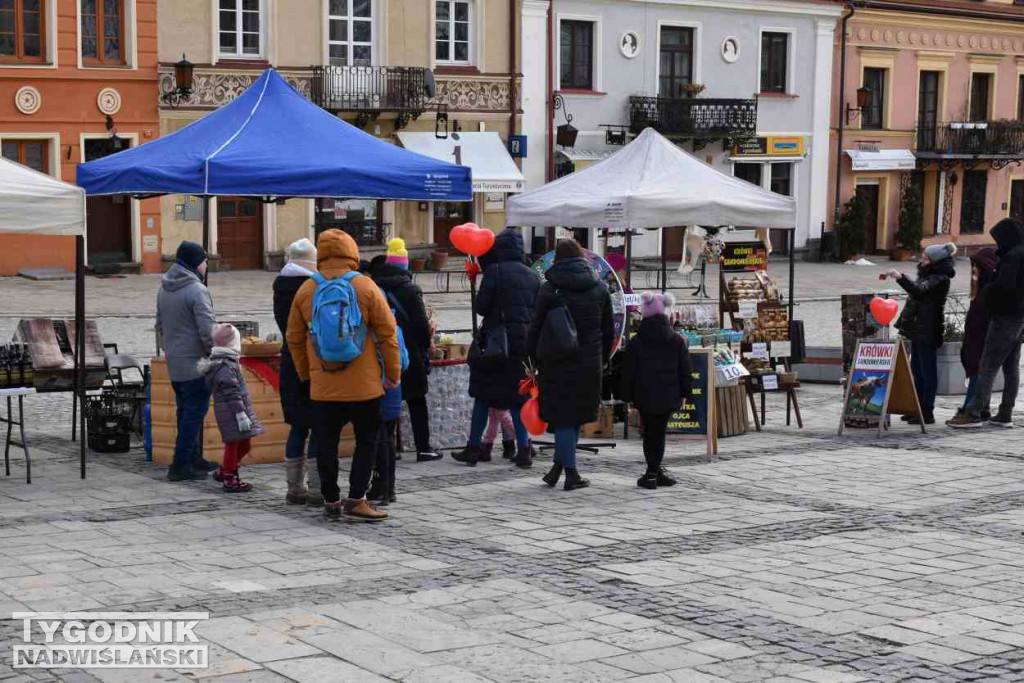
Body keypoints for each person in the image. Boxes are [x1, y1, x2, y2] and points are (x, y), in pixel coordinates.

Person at [286, 229, 401, 522]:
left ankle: (331, 499)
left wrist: (306, 374)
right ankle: (358, 499)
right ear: (352, 252)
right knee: (366, 440)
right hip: (365, 385)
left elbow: (294, 339)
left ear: (321, 253)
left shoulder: (306, 289)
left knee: (326, 443)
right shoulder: (366, 286)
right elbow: (388, 335)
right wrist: (393, 373)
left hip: (323, 384)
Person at [527, 239, 614, 491]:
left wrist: (531, 358)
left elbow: (534, 327)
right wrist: (603, 357)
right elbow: (609, 330)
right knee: (573, 417)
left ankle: (567, 471)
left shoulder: (550, 289)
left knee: (565, 417)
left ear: (557, 260)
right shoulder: (599, 287)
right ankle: (565, 469)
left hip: (556, 362)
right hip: (589, 363)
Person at [456, 228, 540, 468]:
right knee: (517, 397)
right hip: (523, 343)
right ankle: (524, 449)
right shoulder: (533, 275)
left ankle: (474, 447)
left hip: (496, 341)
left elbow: (481, 307)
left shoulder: (495, 271)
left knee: (483, 395)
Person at [370, 238, 441, 462]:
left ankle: (389, 447)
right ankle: (423, 448)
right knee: (417, 401)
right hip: (409, 351)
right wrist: (425, 344)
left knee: (388, 399)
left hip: (382, 350)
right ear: (405, 266)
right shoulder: (411, 290)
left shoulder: (374, 286)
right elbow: (421, 325)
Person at [950, 218, 1024, 429]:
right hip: (1019, 317)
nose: (997, 244)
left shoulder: (1013, 256)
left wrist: (988, 292)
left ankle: (974, 412)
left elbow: (1004, 286)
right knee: (1011, 367)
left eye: (999, 239)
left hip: (1004, 317)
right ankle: (1005, 413)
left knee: (988, 365)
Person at [156, 241, 218, 482]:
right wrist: (215, 353)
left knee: (186, 411)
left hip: (175, 362)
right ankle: (181, 464)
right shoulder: (196, 290)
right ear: (194, 263)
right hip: (195, 362)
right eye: (203, 262)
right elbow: (207, 328)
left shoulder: (164, 287)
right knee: (194, 413)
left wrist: (171, 349)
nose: (205, 266)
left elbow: (159, 325)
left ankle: (194, 458)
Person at [621, 292, 692, 490]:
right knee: (658, 432)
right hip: (669, 394)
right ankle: (654, 472)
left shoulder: (636, 341)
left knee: (650, 432)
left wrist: (627, 396)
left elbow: (629, 371)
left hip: (644, 395)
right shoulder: (677, 340)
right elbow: (685, 370)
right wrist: (685, 393)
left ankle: (652, 472)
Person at [884, 242, 957, 425]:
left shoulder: (939, 278)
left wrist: (899, 277)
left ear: (935, 261)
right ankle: (916, 407)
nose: (922, 260)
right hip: (918, 328)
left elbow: (918, 291)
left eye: (926, 258)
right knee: (916, 369)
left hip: (929, 328)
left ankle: (927, 411)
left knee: (927, 371)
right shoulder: (928, 274)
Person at [273, 238, 321, 506]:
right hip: (311, 363)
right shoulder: (312, 288)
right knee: (317, 424)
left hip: (289, 361)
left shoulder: (280, 286)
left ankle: (294, 488)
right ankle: (316, 488)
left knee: (298, 426)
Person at [199, 324, 263, 493]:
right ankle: (229, 476)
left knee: (244, 444)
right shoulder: (226, 365)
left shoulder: (227, 362)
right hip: (232, 412)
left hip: (234, 410)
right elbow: (232, 391)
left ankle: (225, 470)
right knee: (233, 444)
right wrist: (240, 413)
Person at [947, 248, 998, 426]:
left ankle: (970, 409)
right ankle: (982, 408)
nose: (973, 270)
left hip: (981, 338)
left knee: (978, 372)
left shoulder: (987, 288)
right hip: (975, 337)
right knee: (979, 372)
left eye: (976, 266)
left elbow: (984, 318)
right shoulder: (980, 287)